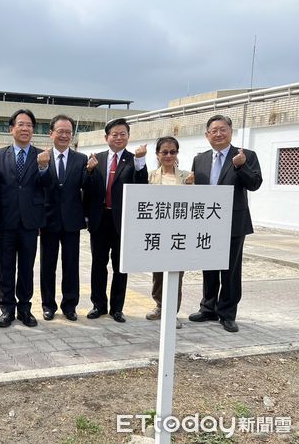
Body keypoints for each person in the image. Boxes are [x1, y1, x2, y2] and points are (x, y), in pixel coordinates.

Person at [188, 115, 262, 332]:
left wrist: (241, 167)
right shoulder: (199, 159)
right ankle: (208, 308)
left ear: (231, 131)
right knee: (209, 266)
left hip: (234, 221)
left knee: (230, 269)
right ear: (207, 134)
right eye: (214, 130)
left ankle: (227, 313)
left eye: (223, 129)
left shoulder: (245, 155)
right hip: (206, 221)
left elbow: (255, 184)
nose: (218, 134)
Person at [83, 118, 148, 323]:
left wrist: (140, 162)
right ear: (106, 137)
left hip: (123, 222)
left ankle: (117, 308)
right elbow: (87, 189)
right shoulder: (96, 158)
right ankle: (98, 305)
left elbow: (141, 186)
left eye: (123, 134)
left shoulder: (133, 159)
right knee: (98, 264)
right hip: (100, 219)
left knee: (120, 266)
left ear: (128, 137)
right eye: (115, 134)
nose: (119, 137)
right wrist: (90, 171)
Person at [0, 109, 45, 328]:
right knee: (5, 268)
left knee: (26, 267)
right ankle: (7, 309)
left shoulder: (43, 155)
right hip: (6, 222)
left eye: (30, 125)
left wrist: (44, 168)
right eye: (21, 125)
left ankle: (25, 308)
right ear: (11, 129)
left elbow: (48, 188)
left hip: (30, 223)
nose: (25, 129)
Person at [37, 115, 88, 321]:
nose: (65, 135)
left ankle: (69, 305)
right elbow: (39, 188)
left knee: (71, 265)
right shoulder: (42, 157)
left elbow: (86, 188)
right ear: (51, 133)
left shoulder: (81, 159)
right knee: (47, 266)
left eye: (68, 132)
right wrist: (42, 168)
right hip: (48, 221)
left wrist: (92, 172)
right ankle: (48, 305)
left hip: (71, 222)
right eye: (60, 131)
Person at [144, 136, 194, 329]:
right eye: (164, 152)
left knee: (176, 273)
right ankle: (159, 305)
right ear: (157, 154)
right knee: (158, 273)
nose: (168, 155)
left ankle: (171, 312)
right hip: (157, 232)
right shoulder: (149, 176)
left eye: (172, 152)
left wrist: (192, 187)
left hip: (178, 233)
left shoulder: (188, 177)